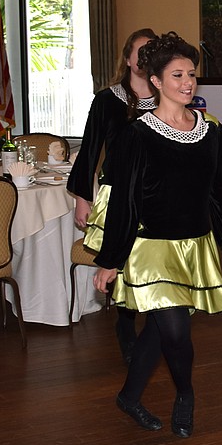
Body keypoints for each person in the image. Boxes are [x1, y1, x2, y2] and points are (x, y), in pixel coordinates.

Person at [91, 32, 222, 438]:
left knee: (161, 329)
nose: (187, 82)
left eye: (191, 74)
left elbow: (220, 194)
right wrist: (110, 260)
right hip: (151, 248)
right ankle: (186, 394)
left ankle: (128, 396)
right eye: (177, 74)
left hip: (195, 246)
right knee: (175, 328)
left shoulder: (211, 132)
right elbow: (125, 202)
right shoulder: (136, 134)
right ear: (156, 81)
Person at [68, 28, 158, 364]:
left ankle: (152, 327)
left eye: (152, 51)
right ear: (127, 58)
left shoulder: (168, 98)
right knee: (122, 262)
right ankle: (124, 323)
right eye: (140, 51)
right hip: (116, 195)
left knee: (149, 263)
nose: (145, 58)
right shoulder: (107, 99)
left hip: (155, 197)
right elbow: (90, 148)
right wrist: (82, 197)